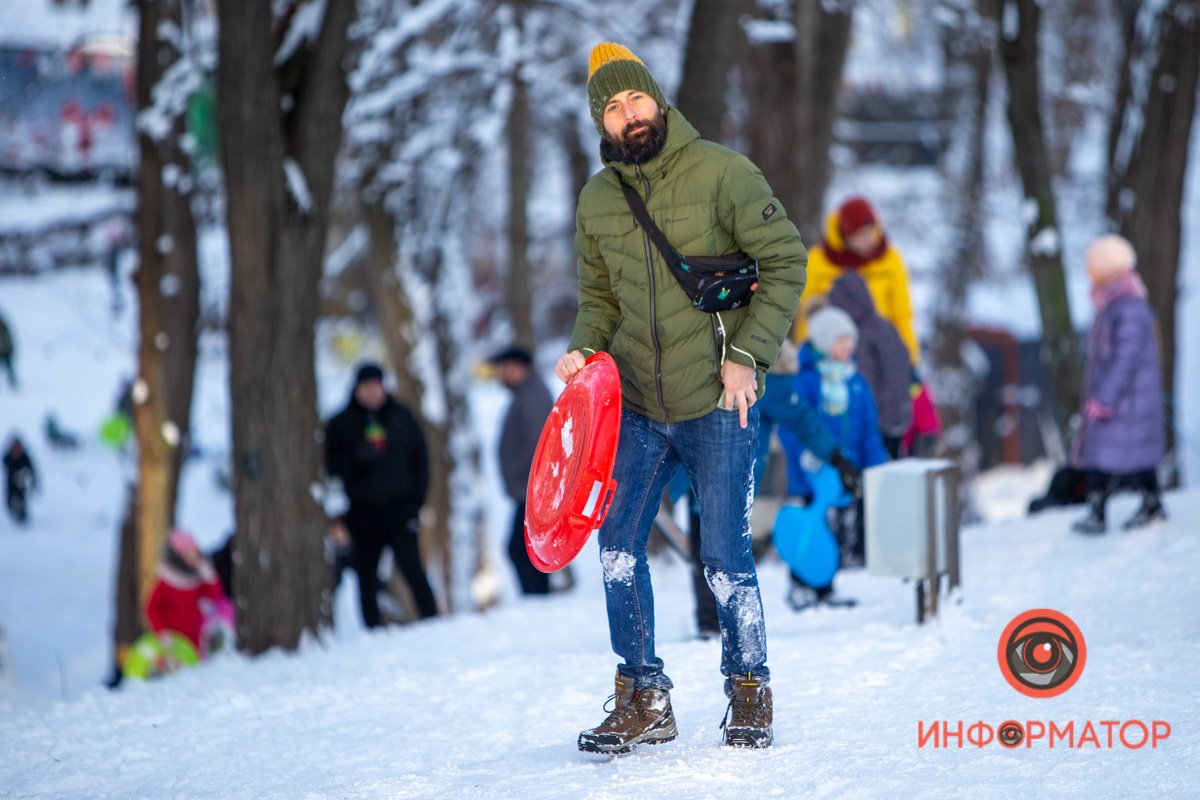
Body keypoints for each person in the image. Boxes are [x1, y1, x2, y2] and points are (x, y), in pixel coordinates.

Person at [557, 43, 807, 753]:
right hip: (636, 406)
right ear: (601, 123)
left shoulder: (723, 172)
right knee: (617, 548)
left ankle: (749, 688)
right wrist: (583, 349)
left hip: (716, 400)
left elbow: (786, 261)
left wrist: (747, 357)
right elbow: (599, 298)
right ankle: (643, 696)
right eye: (611, 107)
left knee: (725, 554)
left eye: (635, 99)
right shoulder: (599, 199)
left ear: (658, 100)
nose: (628, 115)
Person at [782, 307, 888, 604]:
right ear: (825, 342)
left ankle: (826, 585)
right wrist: (806, 455)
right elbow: (792, 424)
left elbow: (868, 429)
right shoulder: (806, 381)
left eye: (849, 340)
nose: (848, 347)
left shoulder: (856, 382)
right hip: (809, 472)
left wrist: (875, 465)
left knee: (839, 529)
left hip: (845, 472)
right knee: (811, 526)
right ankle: (801, 584)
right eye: (840, 341)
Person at [324, 362, 439, 627]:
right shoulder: (342, 424)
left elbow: (421, 462)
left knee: (413, 571)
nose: (372, 393)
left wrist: (415, 504)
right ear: (356, 389)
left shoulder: (401, 417)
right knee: (366, 575)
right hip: (362, 513)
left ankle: (433, 623)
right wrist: (356, 458)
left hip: (400, 510)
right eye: (366, 387)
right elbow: (331, 468)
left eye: (376, 386)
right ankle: (373, 629)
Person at [1070, 235, 1167, 533]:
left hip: (1127, 401)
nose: (1090, 273)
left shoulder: (1127, 307)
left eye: (1094, 267)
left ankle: (1103, 511)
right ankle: (1144, 504)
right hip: (1123, 399)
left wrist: (1105, 398)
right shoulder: (1114, 303)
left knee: (1105, 454)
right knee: (1122, 454)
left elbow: (1125, 358)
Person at [792, 196, 920, 365]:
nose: (868, 239)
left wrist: (910, 359)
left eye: (871, 231)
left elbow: (902, 314)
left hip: (879, 351)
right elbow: (808, 314)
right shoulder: (818, 261)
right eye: (860, 234)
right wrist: (806, 355)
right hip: (833, 353)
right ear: (845, 235)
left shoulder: (891, 259)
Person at [490, 345, 555, 596]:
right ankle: (537, 598)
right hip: (529, 489)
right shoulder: (525, 394)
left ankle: (538, 599)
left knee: (520, 549)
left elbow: (540, 445)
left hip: (534, 489)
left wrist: (529, 481)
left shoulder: (533, 396)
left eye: (505, 369)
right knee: (523, 549)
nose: (501, 375)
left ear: (519, 368)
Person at [827, 272, 913, 458]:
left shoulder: (865, 331)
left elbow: (894, 375)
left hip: (877, 422)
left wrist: (887, 420)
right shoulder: (880, 327)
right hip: (879, 420)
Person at [145, 529, 228, 652]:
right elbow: (151, 608)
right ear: (178, 558)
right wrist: (161, 630)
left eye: (195, 552)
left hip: (194, 636)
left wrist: (210, 577)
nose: (193, 557)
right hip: (172, 640)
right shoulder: (166, 582)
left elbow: (214, 595)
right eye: (188, 554)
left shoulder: (196, 577)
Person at [3, 436, 37, 525]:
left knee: (21, 499)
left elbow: (31, 470)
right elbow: (5, 462)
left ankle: (22, 516)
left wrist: (34, 482)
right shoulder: (8, 456)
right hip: (10, 481)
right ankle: (14, 513)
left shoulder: (24, 456)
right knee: (9, 500)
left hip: (21, 481)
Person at [0, 312, 15, 390]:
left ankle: (13, 383)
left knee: (9, 369)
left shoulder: (3, 325)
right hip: (4, 350)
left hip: (6, 350)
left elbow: (7, 339)